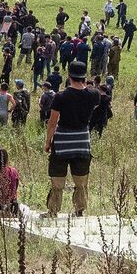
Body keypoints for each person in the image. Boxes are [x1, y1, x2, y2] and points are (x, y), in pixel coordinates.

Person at [44, 62, 96, 217]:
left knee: (58, 179)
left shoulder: (61, 96)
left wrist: (48, 142)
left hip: (62, 142)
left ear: (69, 75)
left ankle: (53, 210)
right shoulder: (94, 95)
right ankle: (79, 209)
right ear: (84, 76)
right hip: (82, 141)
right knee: (81, 180)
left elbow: (52, 122)